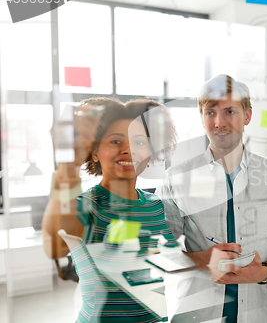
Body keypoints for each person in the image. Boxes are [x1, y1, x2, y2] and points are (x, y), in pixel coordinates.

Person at [156, 74, 267, 322]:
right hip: (198, 312)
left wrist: (264, 272)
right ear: (201, 117)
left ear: (247, 116)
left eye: (229, 112)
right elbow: (160, 250)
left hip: (263, 312)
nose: (219, 123)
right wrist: (201, 260)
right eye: (210, 113)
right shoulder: (177, 178)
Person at [42, 98, 177, 322]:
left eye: (139, 142)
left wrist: (205, 258)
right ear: (95, 153)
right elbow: (55, 248)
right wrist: (68, 164)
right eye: (115, 141)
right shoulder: (86, 206)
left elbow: (164, 260)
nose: (128, 149)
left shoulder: (155, 204)